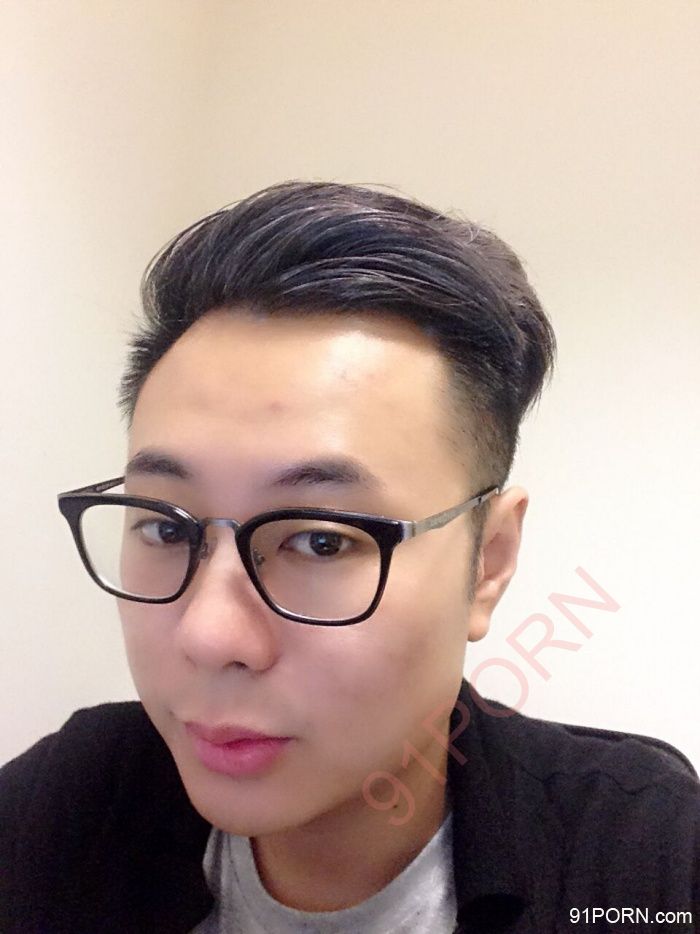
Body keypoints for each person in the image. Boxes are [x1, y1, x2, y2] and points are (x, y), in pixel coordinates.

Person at [1, 181, 697, 934]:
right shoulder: (69, 808)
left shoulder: (641, 858)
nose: (208, 635)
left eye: (321, 540)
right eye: (167, 529)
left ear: (488, 562)